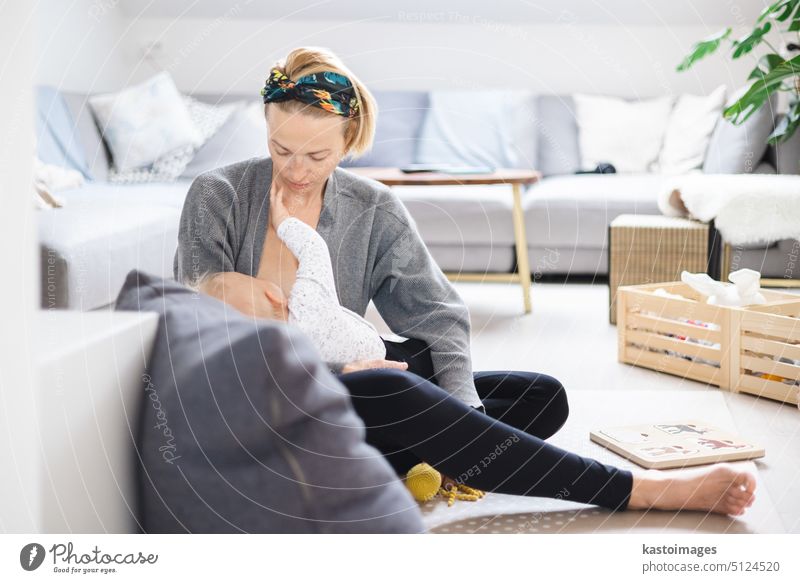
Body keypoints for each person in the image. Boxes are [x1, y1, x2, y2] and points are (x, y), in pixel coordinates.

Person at [175, 46, 756, 516]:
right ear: (265, 130)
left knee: (537, 396)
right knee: (393, 392)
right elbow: (202, 341)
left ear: (349, 143)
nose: (297, 172)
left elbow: (437, 316)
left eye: (317, 156)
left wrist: (460, 408)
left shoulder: (370, 207)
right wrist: (335, 374)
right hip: (264, 406)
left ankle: (409, 454)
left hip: (350, 397)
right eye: (281, 151)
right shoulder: (219, 197)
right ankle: (639, 490)